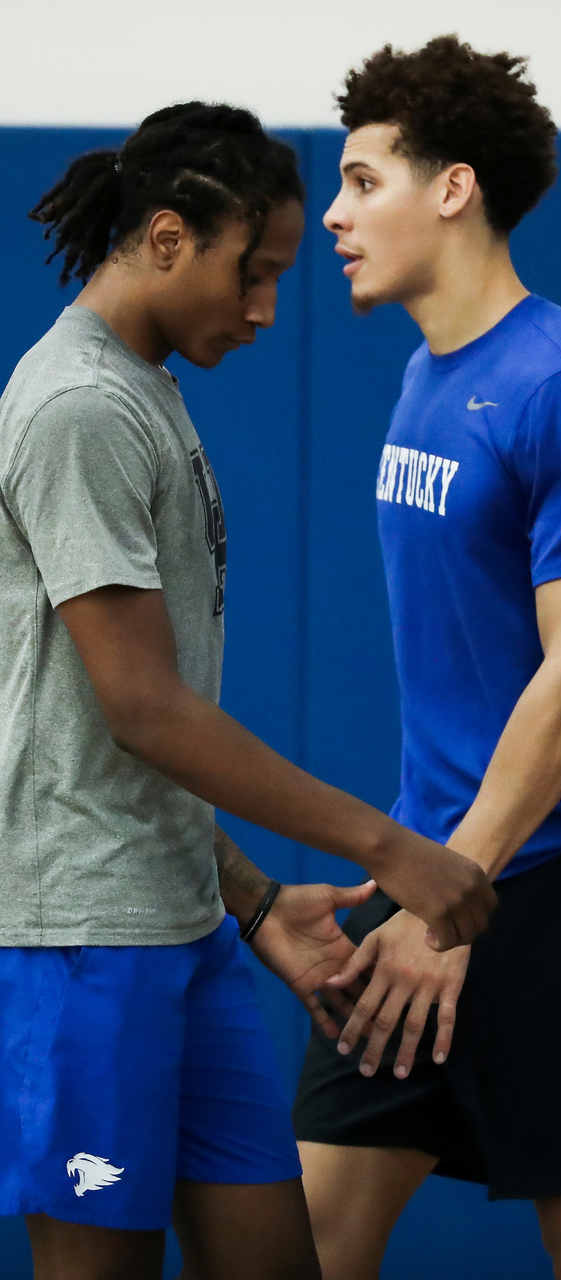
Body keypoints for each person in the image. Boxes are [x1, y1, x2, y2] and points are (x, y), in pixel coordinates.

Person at [0, 101, 496, 1280]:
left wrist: (256, 899)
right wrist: (394, 847)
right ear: (167, 236)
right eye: (251, 272)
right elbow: (145, 708)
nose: (267, 309)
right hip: (85, 945)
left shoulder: (147, 390)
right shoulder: (79, 408)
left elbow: (122, 737)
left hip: (184, 927)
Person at [292, 37, 561, 1280]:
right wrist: (426, 888)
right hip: (432, 874)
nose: (332, 213)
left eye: (363, 181)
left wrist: (449, 896)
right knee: (300, 1237)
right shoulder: (425, 373)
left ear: (453, 188)